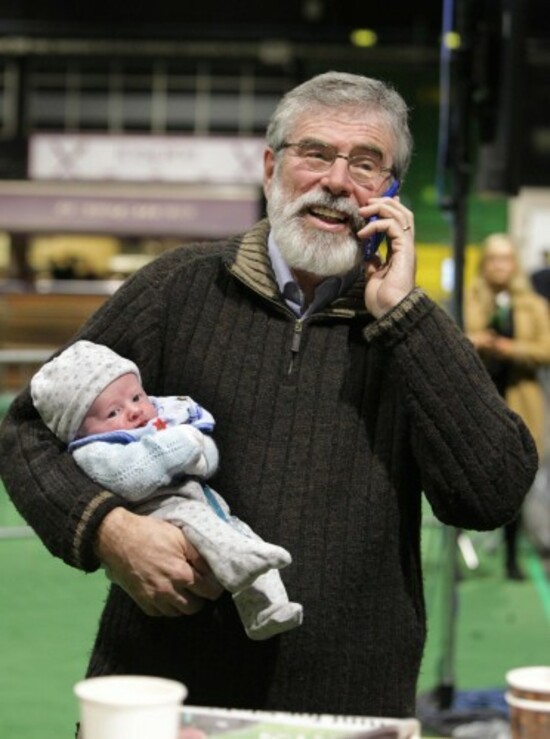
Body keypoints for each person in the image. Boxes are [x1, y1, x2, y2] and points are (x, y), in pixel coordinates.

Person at [0, 71, 538, 720]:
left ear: (390, 193)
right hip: (167, 697)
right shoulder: (176, 290)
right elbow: (25, 428)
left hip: (348, 713)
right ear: (270, 167)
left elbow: (491, 492)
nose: (337, 181)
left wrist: (404, 312)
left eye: (366, 163)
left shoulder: (411, 328)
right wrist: (110, 530)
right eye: (314, 153)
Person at [30, 339, 303, 640]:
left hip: (209, 504)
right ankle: (240, 565)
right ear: (79, 430)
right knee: (222, 539)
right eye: (112, 413)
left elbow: (207, 456)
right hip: (165, 517)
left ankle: (266, 611)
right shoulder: (95, 453)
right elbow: (132, 477)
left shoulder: (165, 416)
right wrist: (183, 445)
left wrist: (200, 453)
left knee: (244, 537)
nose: (134, 412)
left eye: (136, 397)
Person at [464, 233, 550, 580]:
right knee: (471, 476)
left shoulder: (532, 304)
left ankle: (512, 556)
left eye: (506, 258)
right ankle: (465, 550)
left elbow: (545, 349)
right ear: (485, 262)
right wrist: (476, 341)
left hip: (519, 400)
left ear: (514, 263)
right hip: (477, 400)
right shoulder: (468, 297)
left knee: (516, 479)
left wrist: (508, 348)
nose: (499, 265)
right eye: (493, 258)